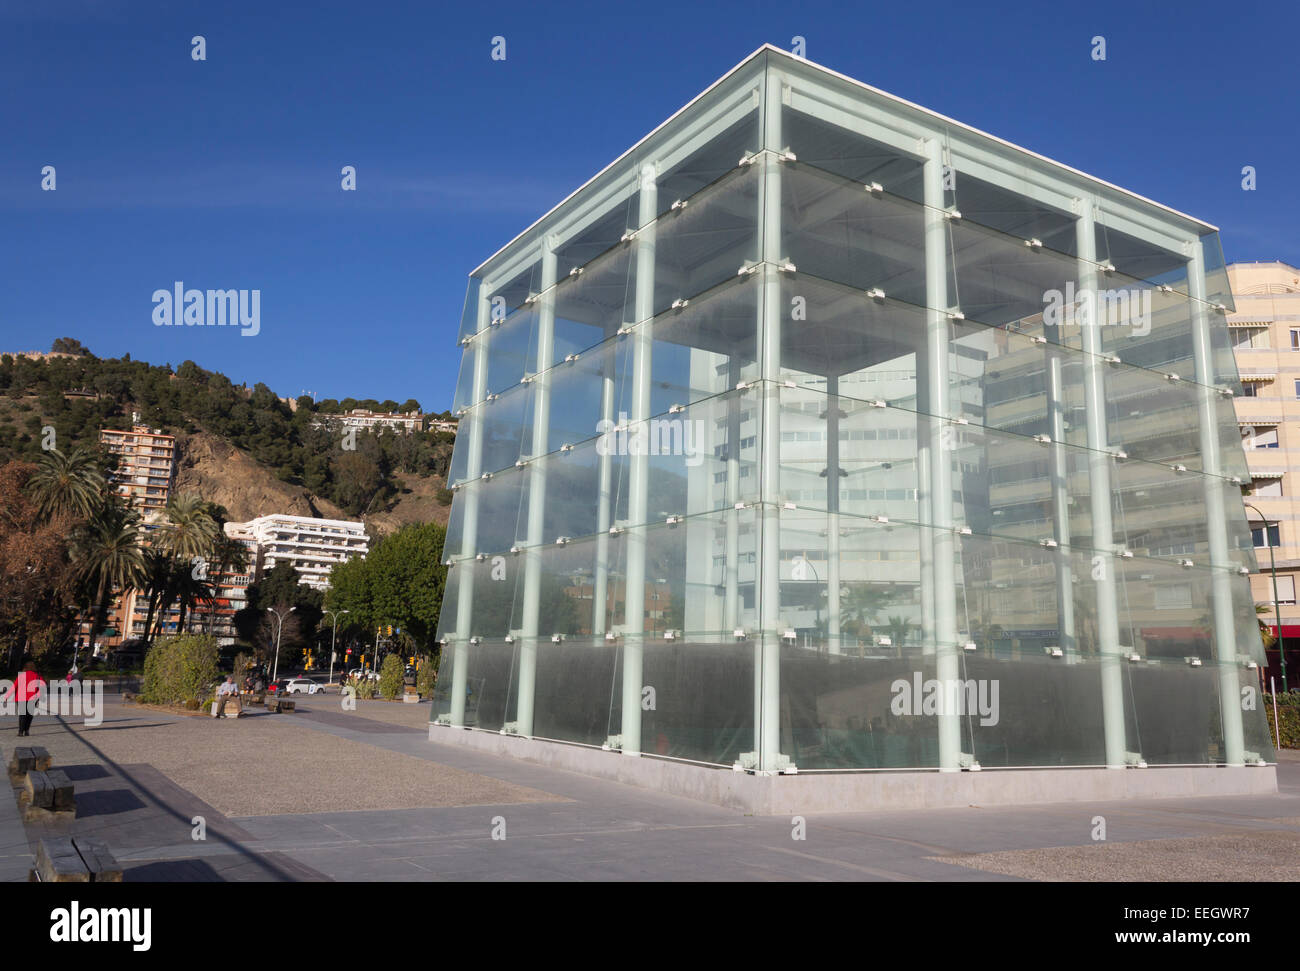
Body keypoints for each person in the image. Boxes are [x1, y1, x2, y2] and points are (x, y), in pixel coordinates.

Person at [4, 658, 46, 737]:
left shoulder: (21, 676)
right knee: (29, 715)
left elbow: (14, 687)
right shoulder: (38, 677)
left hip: (21, 698)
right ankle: (26, 730)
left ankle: (20, 732)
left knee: (22, 715)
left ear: (25, 668)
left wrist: (6, 697)